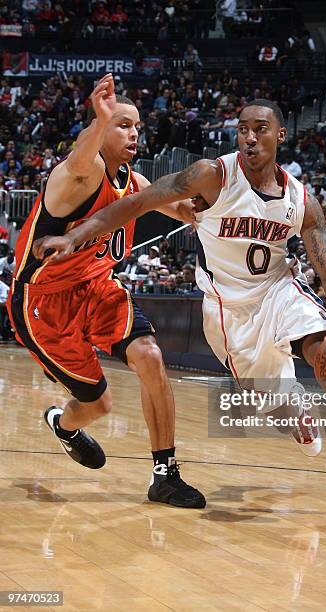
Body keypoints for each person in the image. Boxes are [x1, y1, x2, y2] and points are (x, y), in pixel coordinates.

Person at [33, 99, 326, 521]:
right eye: (242, 129)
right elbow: (140, 201)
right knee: (274, 408)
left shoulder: (300, 200)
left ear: (279, 135)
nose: (249, 137)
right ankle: (294, 410)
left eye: (260, 129)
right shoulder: (213, 175)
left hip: (279, 293)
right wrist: (76, 235)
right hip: (229, 316)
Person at [8, 75, 205, 509]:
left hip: (98, 289)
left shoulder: (132, 183)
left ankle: (165, 474)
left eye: (136, 126)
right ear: (100, 127)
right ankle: (65, 424)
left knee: (151, 357)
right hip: (45, 303)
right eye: (122, 125)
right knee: (98, 405)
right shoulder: (80, 175)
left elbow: (180, 208)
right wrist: (97, 122)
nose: (133, 133)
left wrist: (207, 209)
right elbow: (80, 157)